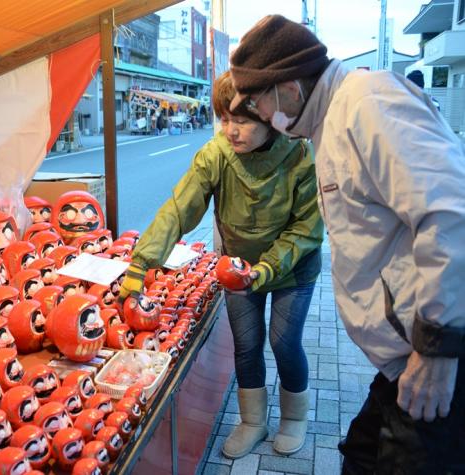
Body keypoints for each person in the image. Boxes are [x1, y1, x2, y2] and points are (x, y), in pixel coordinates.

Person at [229, 15, 465, 474]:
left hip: (438, 354)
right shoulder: (330, 120)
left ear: (291, 87)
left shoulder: (369, 103)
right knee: (359, 455)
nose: (258, 115)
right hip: (403, 358)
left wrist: (438, 347)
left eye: (257, 101)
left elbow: (450, 211)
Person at [120, 71, 324, 458]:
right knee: (247, 345)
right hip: (237, 264)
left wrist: (265, 270)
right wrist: (140, 264)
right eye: (224, 119)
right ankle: (252, 421)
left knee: (283, 342)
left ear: (270, 117)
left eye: (242, 120)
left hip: (292, 266)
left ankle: (294, 418)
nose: (230, 130)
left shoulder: (299, 155)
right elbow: (180, 208)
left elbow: (306, 227)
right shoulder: (217, 154)